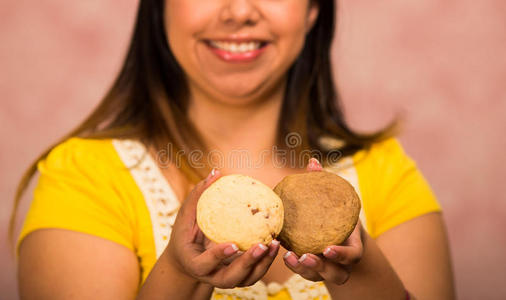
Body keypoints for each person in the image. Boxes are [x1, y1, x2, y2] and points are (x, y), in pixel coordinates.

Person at [12, 0, 455, 299]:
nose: (239, 10)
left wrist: (358, 269)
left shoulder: (386, 171)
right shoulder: (82, 175)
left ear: (313, 8)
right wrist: (182, 276)